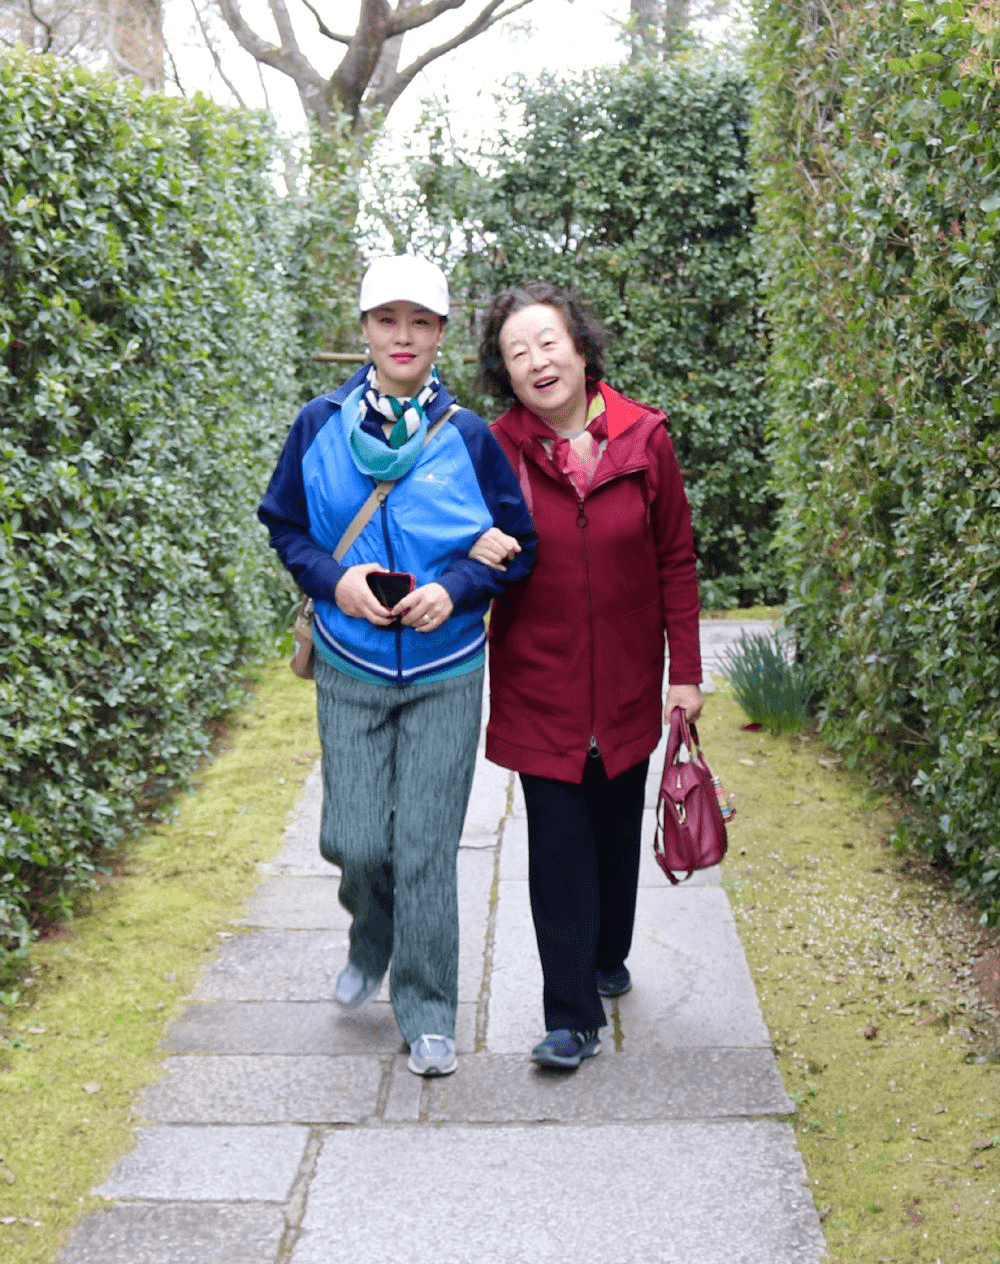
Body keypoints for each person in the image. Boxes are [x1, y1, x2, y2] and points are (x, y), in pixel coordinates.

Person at [258, 255, 536, 1077]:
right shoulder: (318, 425)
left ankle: (427, 1012)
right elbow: (285, 526)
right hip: (351, 661)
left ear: (442, 333)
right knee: (352, 838)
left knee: (422, 847)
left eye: (421, 322)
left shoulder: (468, 438)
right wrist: (334, 578)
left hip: (447, 669)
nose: (403, 336)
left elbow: (517, 548)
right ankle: (370, 934)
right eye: (387, 320)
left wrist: (456, 588)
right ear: (366, 330)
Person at [473, 281, 703, 1070]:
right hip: (540, 684)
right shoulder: (490, 450)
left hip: (633, 682)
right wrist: (475, 555)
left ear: (580, 348)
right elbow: (463, 545)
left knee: (613, 835)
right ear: (504, 374)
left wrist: (687, 674)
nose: (537, 361)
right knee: (559, 849)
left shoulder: (646, 439)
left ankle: (609, 955)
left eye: (548, 343)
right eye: (516, 352)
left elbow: (676, 557)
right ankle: (570, 1015)